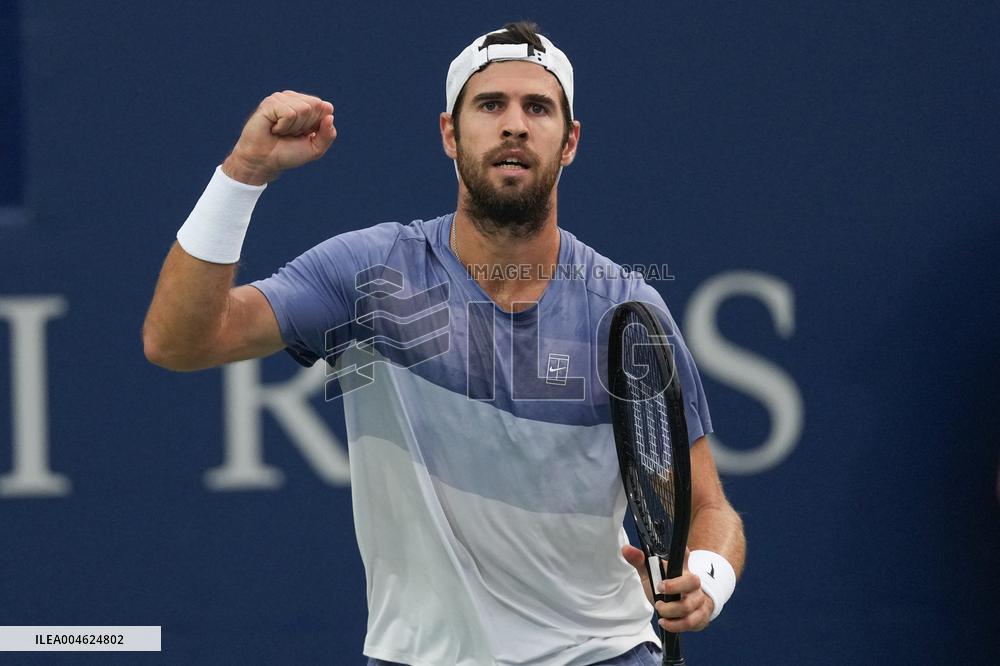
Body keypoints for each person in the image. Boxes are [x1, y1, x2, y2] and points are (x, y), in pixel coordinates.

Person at [143, 21, 746, 666]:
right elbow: (180, 341)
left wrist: (708, 576)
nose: (514, 125)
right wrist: (245, 173)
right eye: (490, 105)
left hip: (603, 654)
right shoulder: (367, 277)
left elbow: (709, 508)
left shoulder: (624, 311)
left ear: (568, 142)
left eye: (537, 108)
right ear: (449, 134)